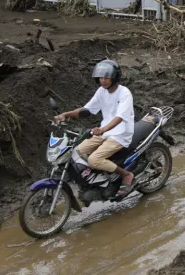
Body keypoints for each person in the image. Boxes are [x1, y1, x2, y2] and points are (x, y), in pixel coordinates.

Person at [53, 60, 137, 196]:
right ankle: (96, 178)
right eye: (101, 78)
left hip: (120, 134)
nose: (103, 81)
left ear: (115, 77)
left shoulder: (124, 93)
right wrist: (65, 114)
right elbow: (87, 110)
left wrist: (103, 129)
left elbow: (119, 117)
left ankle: (126, 175)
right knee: (75, 152)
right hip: (104, 131)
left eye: (106, 77)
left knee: (93, 160)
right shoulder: (101, 91)